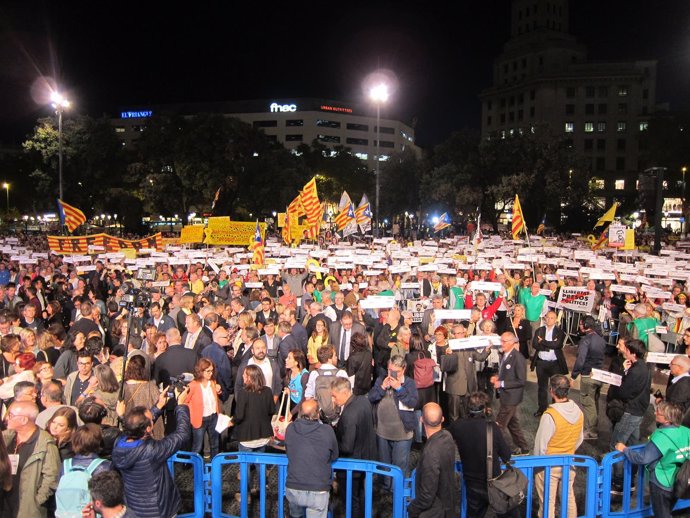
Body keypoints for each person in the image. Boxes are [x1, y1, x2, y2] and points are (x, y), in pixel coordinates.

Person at [111, 400, 191, 518]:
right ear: (148, 429)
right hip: (159, 510)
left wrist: (158, 406)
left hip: (134, 507)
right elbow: (182, 434)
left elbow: (135, 426)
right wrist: (181, 405)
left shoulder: (119, 443)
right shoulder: (152, 450)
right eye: (151, 419)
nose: (153, 418)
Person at [616, 401, 690, 518]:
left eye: (658, 413)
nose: (655, 413)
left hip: (662, 482)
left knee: (662, 514)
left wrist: (625, 449)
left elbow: (643, 458)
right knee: (668, 509)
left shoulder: (661, 436)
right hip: (681, 479)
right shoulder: (686, 431)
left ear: (667, 419)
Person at [448, 392, 515, 518]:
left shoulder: (458, 426)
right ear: (485, 409)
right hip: (493, 482)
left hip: (471, 483)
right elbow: (506, 455)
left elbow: (445, 436)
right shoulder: (492, 428)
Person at [533, 375, 584, 518]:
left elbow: (540, 446)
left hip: (549, 464)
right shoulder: (579, 412)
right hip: (569, 462)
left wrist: (537, 464)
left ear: (551, 391)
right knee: (568, 498)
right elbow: (579, 438)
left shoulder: (550, 416)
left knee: (548, 503)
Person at [2, 401, 60, 518]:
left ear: (24, 420)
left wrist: (37, 501)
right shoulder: (6, 438)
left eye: (11, 415)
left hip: (27, 507)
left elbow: (52, 477)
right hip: (4, 503)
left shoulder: (45, 444)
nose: (6, 418)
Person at [368, 355, 418, 485]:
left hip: (402, 433)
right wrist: (382, 387)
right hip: (382, 432)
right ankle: (386, 491)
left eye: (396, 371)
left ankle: (398, 492)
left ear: (404, 369)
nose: (392, 374)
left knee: (400, 466)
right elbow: (371, 397)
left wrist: (399, 389)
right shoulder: (381, 380)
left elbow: (413, 402)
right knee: (384, 466)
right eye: (390, 370)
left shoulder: (409, 383)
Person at [609, 338, 651, 493]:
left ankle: (619, 481)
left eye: (626, 350)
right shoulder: (643, 367)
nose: (624, 351)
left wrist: (624, 373)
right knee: (632, 444)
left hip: (630, 411)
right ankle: (630, 479)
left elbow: (624, 391)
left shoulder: (636, 370)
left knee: (617, 444)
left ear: (632, 353)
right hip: (638, 411)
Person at [284, 399, 339, 518]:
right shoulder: (327, 431)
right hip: (318, 488)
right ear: (318, 414)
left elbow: (288, 451)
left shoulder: (290, 429)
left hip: (294, 486)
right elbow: (335, 455)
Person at [331, 377, 376, 518]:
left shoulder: (349, 415)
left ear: (345, 393)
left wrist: (332, 443)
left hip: (352, 464)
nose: (333, 400)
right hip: (367, 458)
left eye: (334, 396)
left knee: (351, 501)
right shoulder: (364, 400)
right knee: (362, 496)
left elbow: (347, 446)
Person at [407, 403, 458, 518]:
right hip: (448, 505)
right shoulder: (448, 437)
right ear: (443, 419)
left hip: (434, 512)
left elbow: (426, 496)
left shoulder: (430, 453)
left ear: (421, 420)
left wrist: (412, 508)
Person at [490, 332, 530, 455]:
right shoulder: (505, 355)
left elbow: (521, 381)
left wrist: (501, 384)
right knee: (513, 425)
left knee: (498, 427)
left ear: (512, 342)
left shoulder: (518, 359)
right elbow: (505, 373)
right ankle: (524, 448)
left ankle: (509, 450)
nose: (501, 344)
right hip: (506, 396)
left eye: (504, 341)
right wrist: (497, 377)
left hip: (511, 398)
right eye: (501, 341)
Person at [571, 315, 606, 440]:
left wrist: (573, 376)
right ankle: (594, 427)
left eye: (581, 324)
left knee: (587, 403)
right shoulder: (601, 339)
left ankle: (591, 431)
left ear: (586, 325)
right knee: (594, 401)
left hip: (587, 375)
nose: (580, 326)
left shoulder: (585, 340)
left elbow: (580, 360)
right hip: (599, 375)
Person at [180, 357, 222, 459]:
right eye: (208, 371)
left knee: (215, 444)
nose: (210, 373)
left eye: (212, 371)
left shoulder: (212, 382)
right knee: (197, 446)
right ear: (201, 371)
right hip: (200, 419)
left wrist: (219, 391)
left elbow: (215, 396)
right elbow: (184, 401)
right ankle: (196, 468)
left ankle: (214, 467)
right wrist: (192, 412)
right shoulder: (193, 385)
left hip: (213, 416)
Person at [531, 311, 568, 418]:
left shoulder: (559, 332)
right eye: (548, 317)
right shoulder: (539, 330)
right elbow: (534, 344)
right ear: (545, 318)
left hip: (555, 364)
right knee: (542, 388)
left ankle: (555, 410)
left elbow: (557, 344)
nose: (549, 320)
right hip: (541, 363)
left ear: (556, 320)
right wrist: (548, 346)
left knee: (556, 388)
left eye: (552, 318)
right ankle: (542, 409)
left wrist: (542, 342)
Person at [234, 364, 276, 453]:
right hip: (263, 436)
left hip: (247, 437)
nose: (242, 376)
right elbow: (271, 410)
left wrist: (231, 421)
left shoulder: (243, 393)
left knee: (245, 465)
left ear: (249, 377)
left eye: (244, 374)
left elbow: (239, 415)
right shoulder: (268, 391)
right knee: (260, 465)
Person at [346, 331, 373, 396]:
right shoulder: (368, 353)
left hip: (357, 388)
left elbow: (351, 375)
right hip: (367, 385)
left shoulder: (353, 357)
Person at [285, 349, 309, 417]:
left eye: (289, 358)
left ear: (296, 362)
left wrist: (292, 413)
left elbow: (304, 398)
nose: (286, 360)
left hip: (301, 409)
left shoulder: (304, 376)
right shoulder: (289, 373)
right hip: (292, 405)